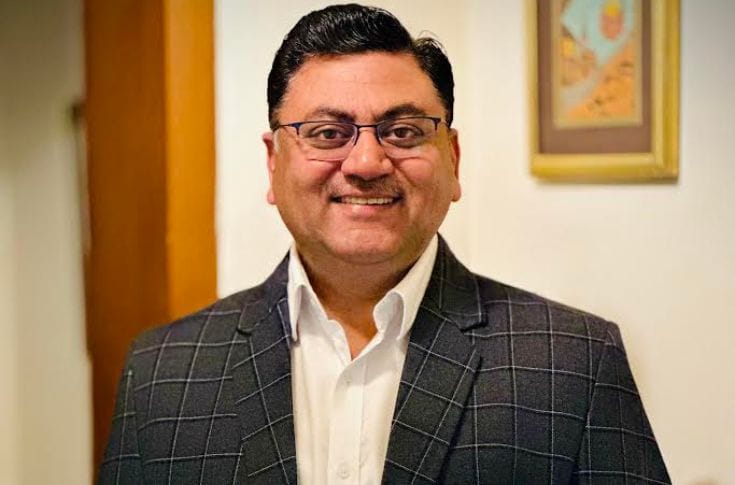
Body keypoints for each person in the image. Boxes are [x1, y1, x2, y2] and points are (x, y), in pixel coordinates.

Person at [98, 4, 670, 484]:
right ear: (273, 164)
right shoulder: (163, 372)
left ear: (452, 160)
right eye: (328, 133)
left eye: (403, 132)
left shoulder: (573, 362)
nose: (367, 162)